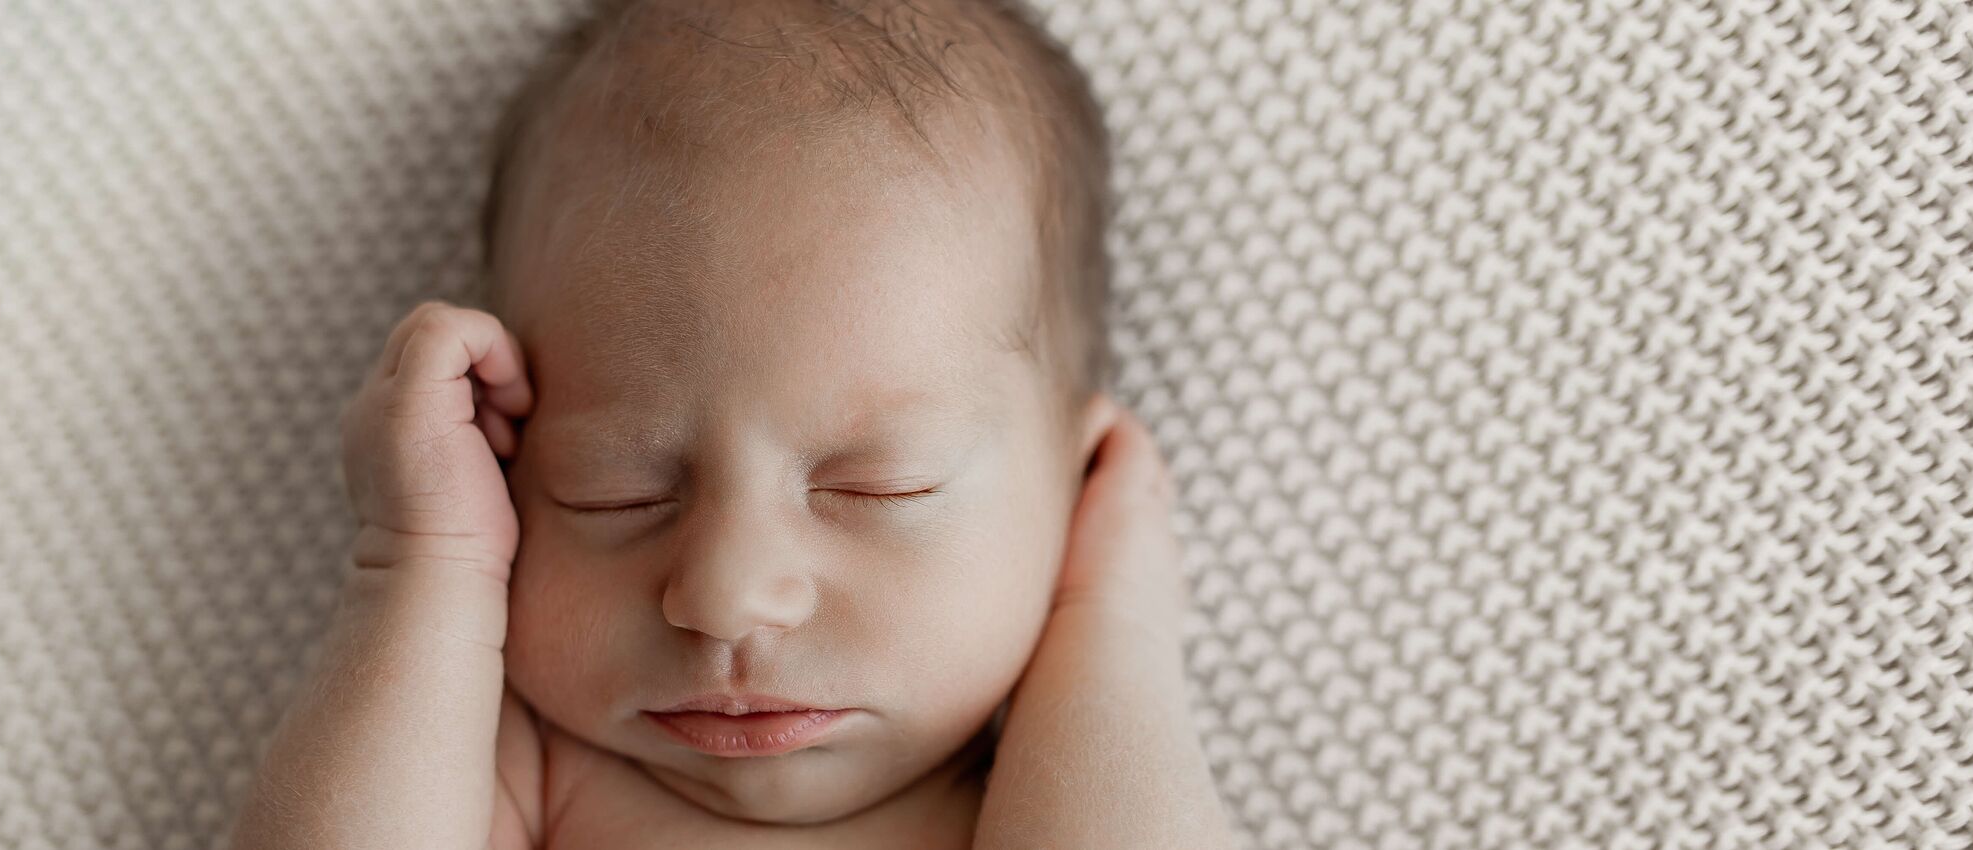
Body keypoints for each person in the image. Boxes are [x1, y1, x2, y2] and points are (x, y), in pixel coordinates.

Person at [232, 0, 1238, 845]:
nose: (724, 594)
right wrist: (418, 565)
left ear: (1081, 486)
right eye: (615, 485)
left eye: (879, 483)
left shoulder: (1031, 788)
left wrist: (1109, 628)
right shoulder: (514, 768)